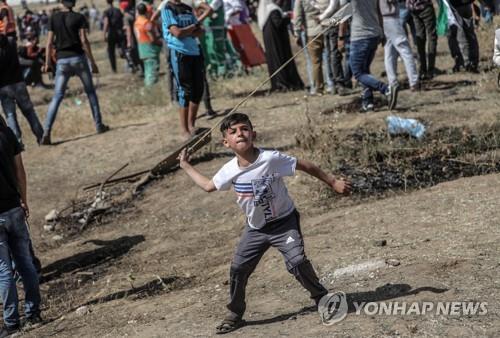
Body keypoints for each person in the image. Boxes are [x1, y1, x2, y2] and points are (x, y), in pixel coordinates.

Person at [178, 113, 351, 334]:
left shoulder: (270, 159)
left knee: (297, 261)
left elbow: (304, 165)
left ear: (254, 134)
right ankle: (235, 313)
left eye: (244, 129)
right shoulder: (229, 170)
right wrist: (185, 166)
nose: (240, 133)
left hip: (284, 224)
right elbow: (208, 186)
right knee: (238, 268)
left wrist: (333, 182)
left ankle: (321, 298)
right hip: (256, 229)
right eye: (233, 132)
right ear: (226, 142)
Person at [42, 0, 109, 145]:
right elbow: (84, 41)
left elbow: (48, 43)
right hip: (78, 58)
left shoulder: (54, 18)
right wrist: (93, 62)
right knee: (90, 92)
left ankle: (46, 131)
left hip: (62, 61)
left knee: (57, 96)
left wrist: (47, 63)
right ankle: (98, 125)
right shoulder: (79, 17)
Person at [0, 115, 42, 338]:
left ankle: (11, 322)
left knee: (4, 271)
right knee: (25, 263)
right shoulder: (7, 135)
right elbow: (20, 172)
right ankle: (34, 313)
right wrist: (24, 199)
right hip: (15, 209)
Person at [161, 0, 205, 139]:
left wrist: (189, 30)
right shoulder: (168, 8)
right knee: (185, 91)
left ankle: (192, 125)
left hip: (195, 51)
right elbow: (177, 32)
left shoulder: (187, 8)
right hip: (179, 53)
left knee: (198, 89)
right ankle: (184, 129)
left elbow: (200, 31)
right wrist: (192, 29)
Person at [349, 0, 398, 112]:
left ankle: (386, 89)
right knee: (364, 71)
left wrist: (329, 21)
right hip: (374, 35)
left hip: (360, 36)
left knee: (357, 73)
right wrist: (382, 32)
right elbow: (379, 13)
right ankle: (368, 103)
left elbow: (343, 13)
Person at [0, 35, 44, 148]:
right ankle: (41, 136)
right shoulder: (10, 41)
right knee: (29, 111)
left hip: (3, 86)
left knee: (10, 115)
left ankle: (18, 143)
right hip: (18, 82)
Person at [258, 0, 304, 92]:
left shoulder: (265, 11)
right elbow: (278, 23)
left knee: (274, 62)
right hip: (277, 43)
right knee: (280, 61)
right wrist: (288, 18)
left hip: (271, 42)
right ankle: (283, 83)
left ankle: (277, 84)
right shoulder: (273, 9)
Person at [380, 0, 419, 91]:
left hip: (383, 18)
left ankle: (393, 82)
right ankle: (413, 81)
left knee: (389, 53)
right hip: (391, 18)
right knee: (405, 50)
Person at [293, 0, 326, 95]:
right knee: (328, 58)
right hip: (327, 28)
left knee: (314, 61)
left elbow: (297, 15)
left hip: (312, 31)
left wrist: (297, 33)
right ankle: (331, 84)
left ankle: (317, 88)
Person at [406, 0, 438, 79]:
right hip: (425, 6)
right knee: (432, 37)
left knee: (420, 38)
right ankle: (430, 69)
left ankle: (422, 70)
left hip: (413, 9)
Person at [448, 0, 480, 73]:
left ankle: (467, 63)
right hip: (466, 5)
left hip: (457, 7)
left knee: (462, 36)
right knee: (470, 34)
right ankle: (473, 62)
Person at [134, 3, 162, 85]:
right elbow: (152, 38)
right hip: (150, 49)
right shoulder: (147, 23)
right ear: (146, 12)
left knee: (147, 70)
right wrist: (160, 43)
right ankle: (151, 88)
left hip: (142, 49)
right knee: (152, 71)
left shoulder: (136, 22)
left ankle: (148, 86)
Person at [103, 0, 126, 73]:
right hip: (119, 32)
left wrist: (104, 34)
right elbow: (122, 20)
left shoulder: (106, 12)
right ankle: (130, 63)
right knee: (123, 48)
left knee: (111, 52)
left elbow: (106, 23)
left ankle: (114, 69)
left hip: (111, 33)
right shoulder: (118, 10)